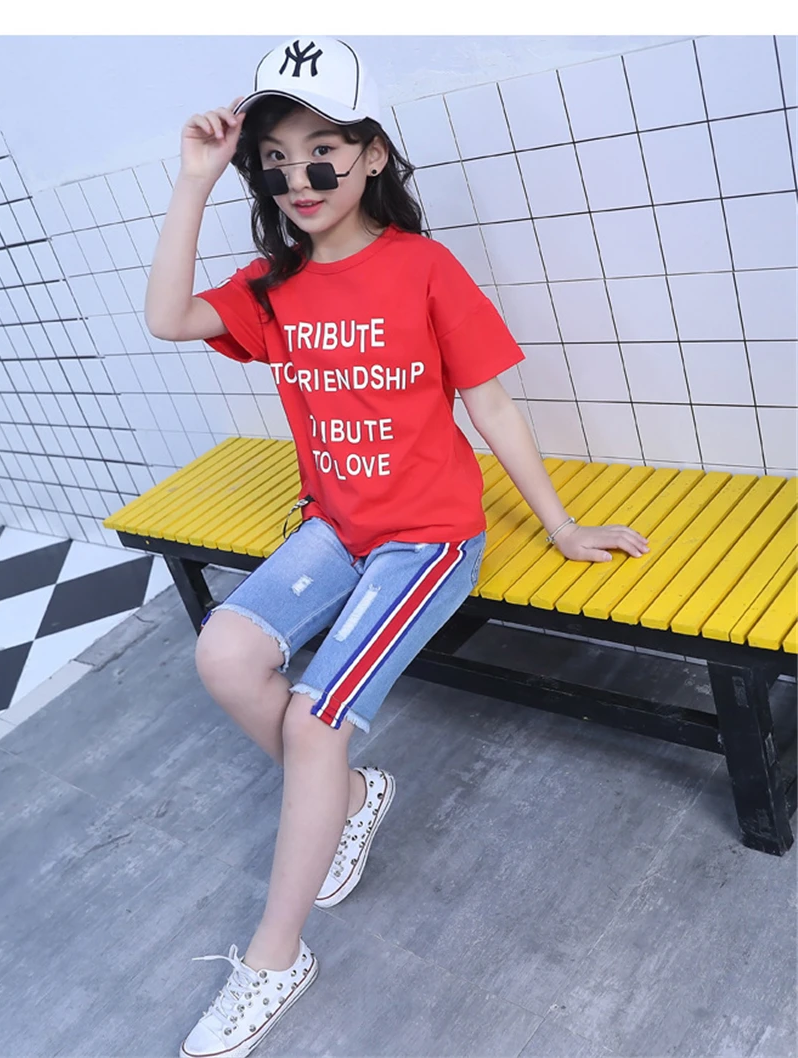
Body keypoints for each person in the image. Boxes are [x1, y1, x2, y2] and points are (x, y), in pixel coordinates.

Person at [145, 36, 651, 1058]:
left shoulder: (423, 267)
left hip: (425, 539)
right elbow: (167, 318)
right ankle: (351, 797)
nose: (300, 180)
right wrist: (196, 179)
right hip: (335, 527)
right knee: (224, 653)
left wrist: (559, 524)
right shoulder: (273, 285)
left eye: (322, 153)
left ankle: (275, 957)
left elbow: (492, 405)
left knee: (315, 717)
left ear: (373, 153)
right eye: (275, 162)